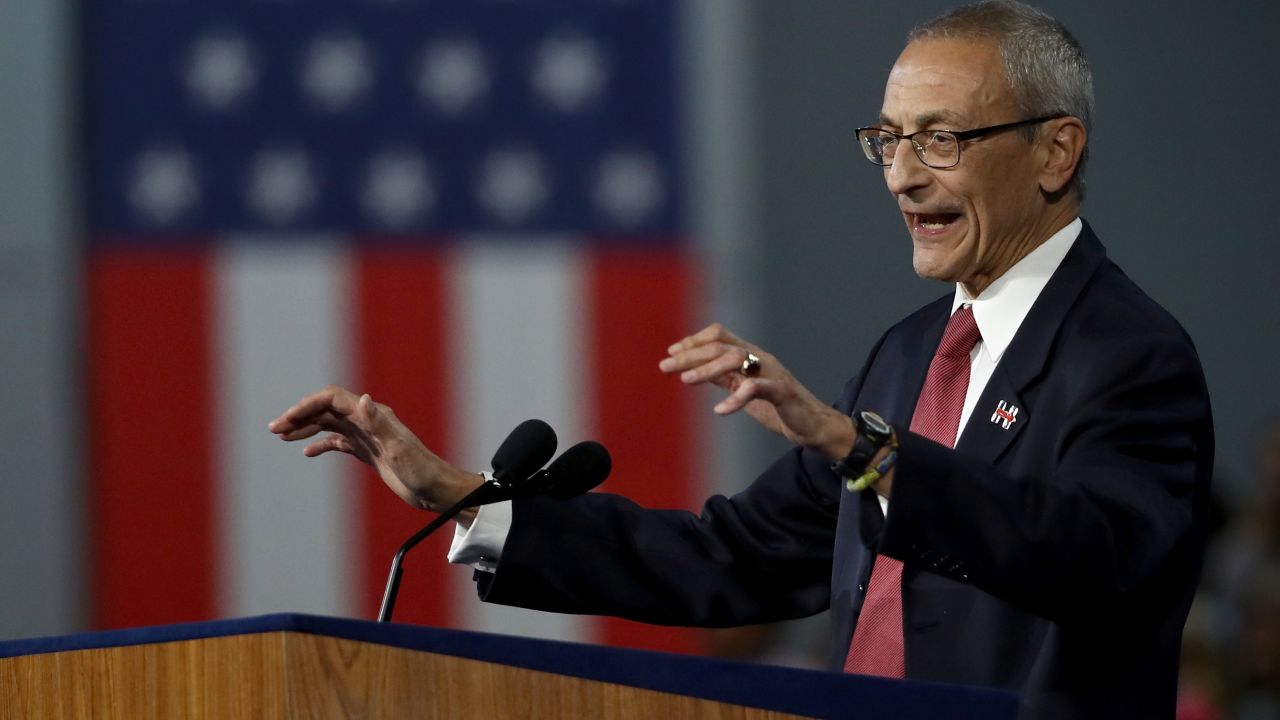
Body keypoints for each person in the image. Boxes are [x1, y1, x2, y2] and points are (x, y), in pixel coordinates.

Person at [269, 2, 1213, 717]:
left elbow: (1092, 559)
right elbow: (732, 560)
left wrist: (865, 452)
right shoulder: (910, 354)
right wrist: (465, 498)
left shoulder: (1129, 356)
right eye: (889, 139)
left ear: (1056, 151)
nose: (902, 175)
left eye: (942, 139)